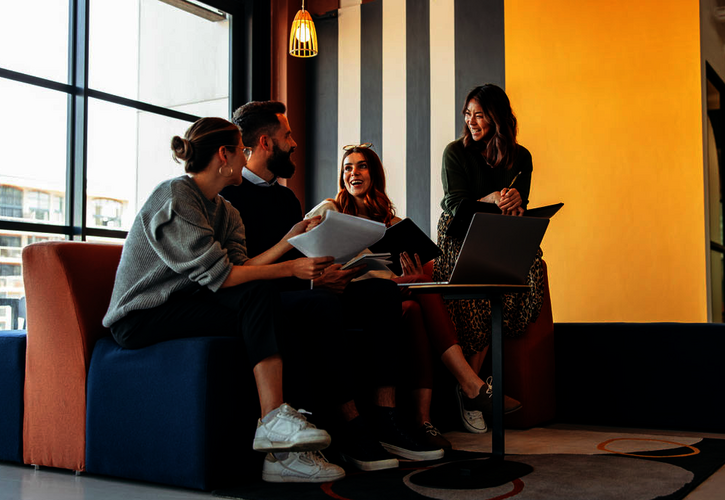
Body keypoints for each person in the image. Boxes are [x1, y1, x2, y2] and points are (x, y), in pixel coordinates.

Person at [102, 117, 345, 484]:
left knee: (277, 308)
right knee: (262, 294)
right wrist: (290, 268)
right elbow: (225, 276)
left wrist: (288, 241)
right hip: (142, 316)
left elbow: (240, 267)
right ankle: (274, 420)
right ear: (224, 155)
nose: (247, 158)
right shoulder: (175, 197)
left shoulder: (226, 210)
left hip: (190, 302)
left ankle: (283, 454)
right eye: (242, 151)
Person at [221, 101, 444, 470]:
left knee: (381, 293)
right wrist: (312, 280)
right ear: (265, 142)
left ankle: (385, 419)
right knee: (322, 304)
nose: (294, 143)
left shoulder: (285, 197)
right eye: (287, 135)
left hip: (303, 287)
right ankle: (352, 428)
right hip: (263, 297)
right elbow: (244, 270)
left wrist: (326, 274)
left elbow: (308, 253)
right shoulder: (229, 196)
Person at [306, 144, 517, 441]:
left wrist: (409, 277)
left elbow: (419, 270)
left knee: (419, 297)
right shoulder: (331, 209)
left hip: (387, 294)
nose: (354, 172)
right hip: (348, 294)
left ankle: (423, 420)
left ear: (374, 174)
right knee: (418, 292)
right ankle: (470, 385)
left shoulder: (391, 223)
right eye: (348, 168)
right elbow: (303, 245)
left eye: (362, 166)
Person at [433, 83, 545, 429]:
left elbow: (519, 205)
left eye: (479, 115)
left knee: (530, 272)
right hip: (460, 235)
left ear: (497, 118)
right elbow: (455, 205)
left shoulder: (520, 156)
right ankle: (473, 391)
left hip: (500, 233)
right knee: (483, 293)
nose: (472, 121)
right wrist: (493, 198)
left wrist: (516, 204)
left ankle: (470, 388)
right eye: (468, 114)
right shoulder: (455, 152)